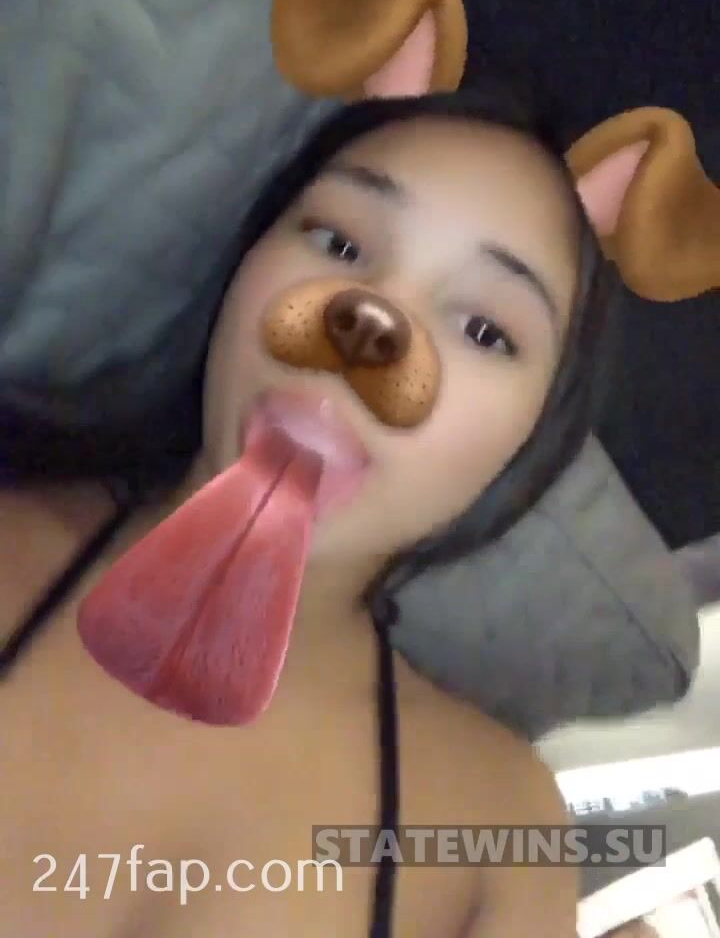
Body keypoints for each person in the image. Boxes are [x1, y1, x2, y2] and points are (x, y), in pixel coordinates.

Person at [0, 87, 616, 938]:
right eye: (339, 242)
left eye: (484, 330)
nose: (369, 322)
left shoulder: (503, 832)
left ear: (527, 448)